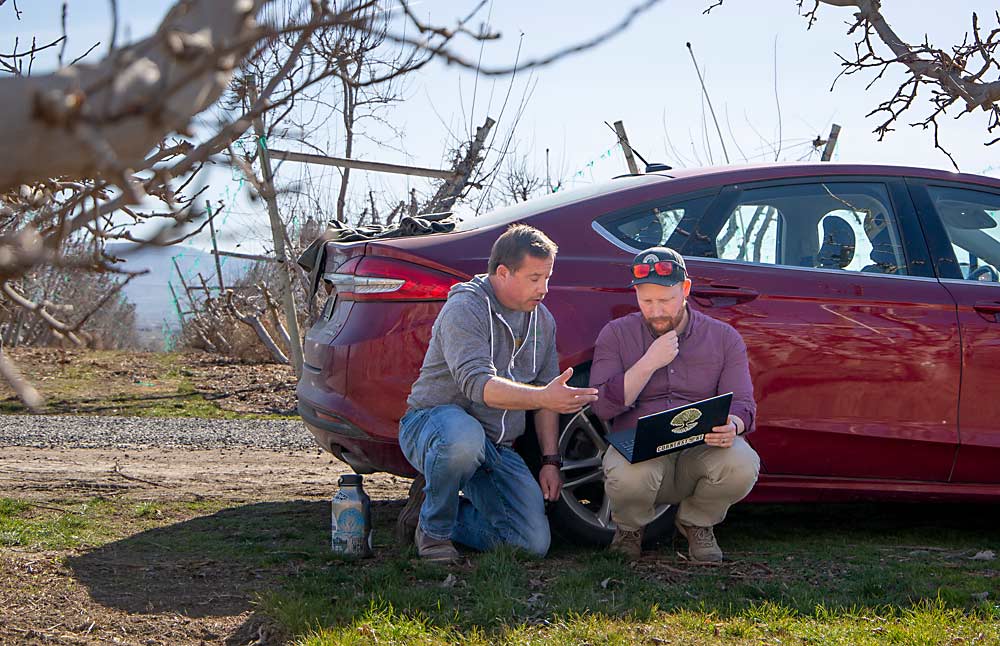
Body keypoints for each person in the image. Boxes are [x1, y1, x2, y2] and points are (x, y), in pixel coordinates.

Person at [396, 224, 599, 563]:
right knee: (463, 438)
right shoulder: (466, 308)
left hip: (496, 447)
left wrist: (550, 461)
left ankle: (433, 511)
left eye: (547, 277)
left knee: (530, 543)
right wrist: (542, 398)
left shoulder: (543, 321)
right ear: (503, 273)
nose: (544, 288)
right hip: (434, 427)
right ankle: (434, 533)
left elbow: (548, 394)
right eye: (534, 278)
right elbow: (479, 386)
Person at [589, 246, 760, 562]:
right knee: (626, 475)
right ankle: (629, 530)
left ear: (685, 290)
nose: (655, 311)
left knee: (742, 462)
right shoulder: (616, 334)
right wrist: (648, 363)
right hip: (640, 453)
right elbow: (602, 407)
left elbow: (744, 405)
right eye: (646, 301)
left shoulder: (724, 338)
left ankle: (697, 522)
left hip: (701, 450)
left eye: (665, 300)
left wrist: (733, 425)